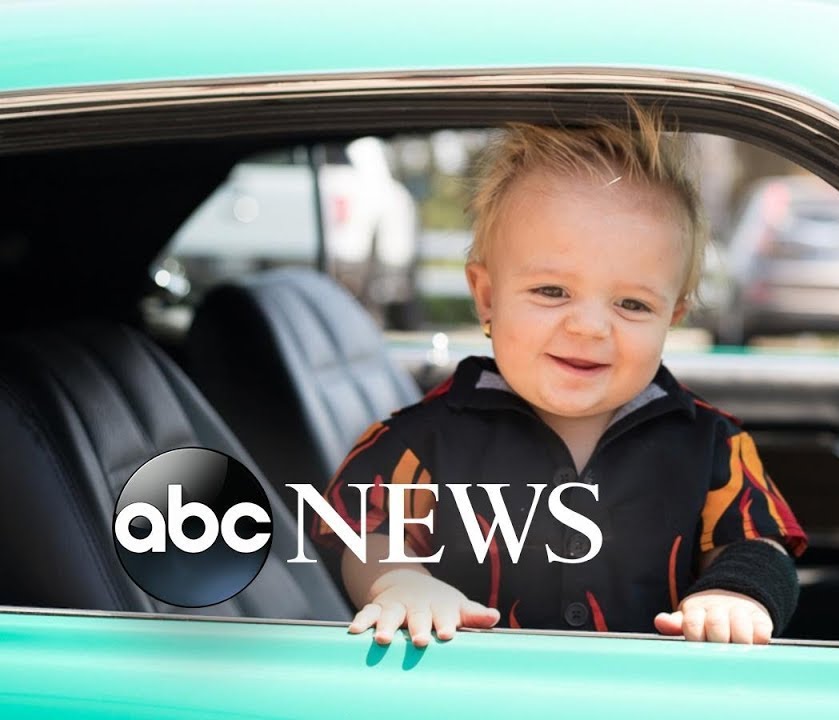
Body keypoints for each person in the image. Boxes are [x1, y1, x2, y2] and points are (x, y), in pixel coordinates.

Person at [310, 104, 807, 646]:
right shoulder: (422, 439)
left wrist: (736, 593)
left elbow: (758, 544)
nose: (589, 327)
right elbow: (365, 530)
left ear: (673, 316)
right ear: (487, 296)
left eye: (633, 304)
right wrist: (401, 582)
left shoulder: (713, 445)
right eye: (552, 291)